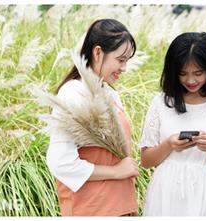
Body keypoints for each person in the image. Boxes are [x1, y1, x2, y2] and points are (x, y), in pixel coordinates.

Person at [44, 19, 139, 216]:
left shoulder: (111, 93)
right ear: (97, 52)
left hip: (121, 206)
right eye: (120, 60)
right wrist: (116, 172)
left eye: (127, 61)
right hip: (93, 209)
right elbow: (61, 162)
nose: (124, 68)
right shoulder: (72, 93)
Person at [139, 32, 206, 216]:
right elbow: (146, 161)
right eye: (183, 74)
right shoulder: (161, 102)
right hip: (165, 191)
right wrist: (169, 144)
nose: (191, 81)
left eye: (198, 73)